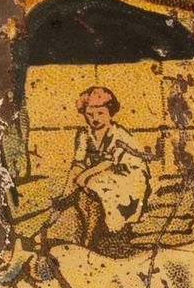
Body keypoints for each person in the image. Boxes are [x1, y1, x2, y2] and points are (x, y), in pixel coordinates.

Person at [61, 85, 150, 255]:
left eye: (100, 113)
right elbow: (78, 164)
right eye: (90, 114)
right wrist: (68, 188)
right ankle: (89, 234)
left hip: (128, 175)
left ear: (110, 113)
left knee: (92, 185)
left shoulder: (118, 134)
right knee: (82, 194)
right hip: (101, 175)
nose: (95, 119)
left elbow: (108, 163)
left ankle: (92, 239)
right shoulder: (84, 135)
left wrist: (84, 177)